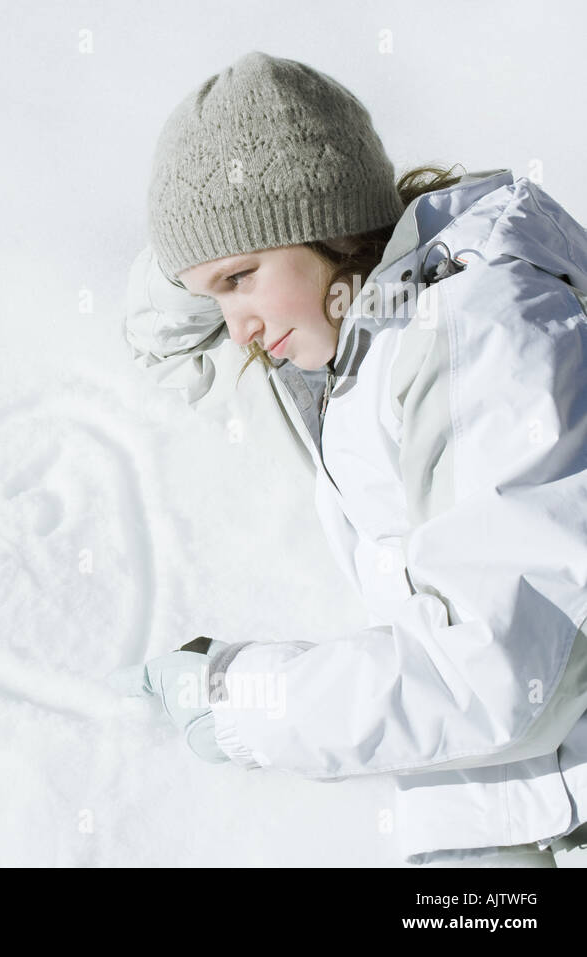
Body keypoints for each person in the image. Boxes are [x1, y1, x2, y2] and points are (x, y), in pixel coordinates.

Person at [115, 51, 587, 867]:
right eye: (210, 293)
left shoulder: (479, 327)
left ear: (327, 223)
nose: (237, 327)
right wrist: (201, 232)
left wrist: (239, 697)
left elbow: (498, 674)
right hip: (493, 807)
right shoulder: (344, 361)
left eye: (241, 276)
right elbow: (165, 350)